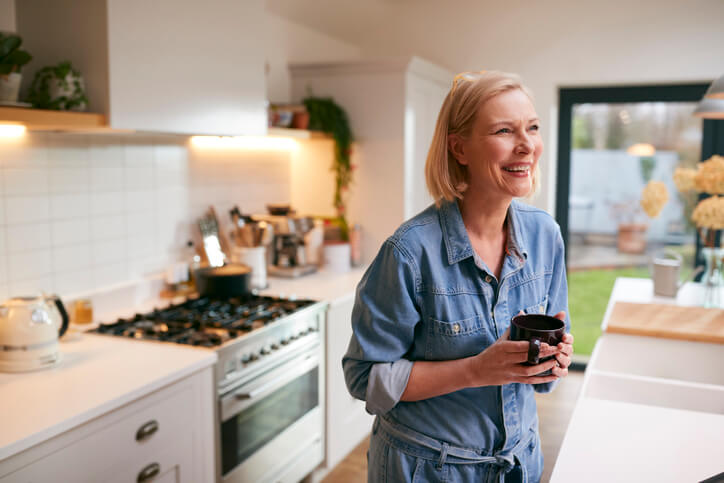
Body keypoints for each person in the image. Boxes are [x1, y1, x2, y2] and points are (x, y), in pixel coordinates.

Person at [342, 70, 574, 483]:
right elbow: (366, 378)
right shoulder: (410, 252)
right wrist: (475, 370)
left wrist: (553, 363)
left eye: (532, 128)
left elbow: (545, 371)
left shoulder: (545, 236)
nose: (527, 146)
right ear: (459, 148)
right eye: (505, 130)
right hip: (427, 471)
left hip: (519, 465)